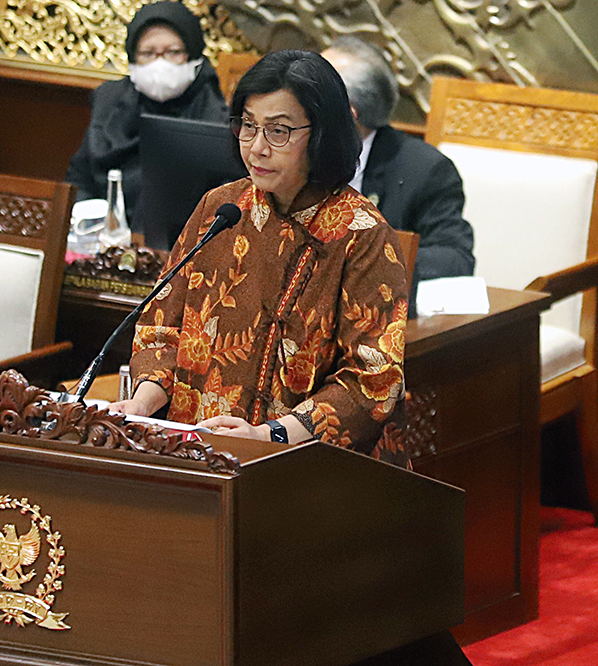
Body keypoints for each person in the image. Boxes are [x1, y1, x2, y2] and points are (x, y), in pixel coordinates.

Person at [109, 50, 410, 468]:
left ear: (322, 134)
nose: (257, 148)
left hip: (307, 468)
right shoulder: (222, 208)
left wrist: (270, 435)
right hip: (197, 456)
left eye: (279, 131)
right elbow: (162, 325)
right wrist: (143, 403)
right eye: (248, 127)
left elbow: (372, 380)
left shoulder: (364, 235)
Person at [322, 36, 475, 286]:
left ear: (346, 114)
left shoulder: (424, 170)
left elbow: (455, 259)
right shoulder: (282, 151)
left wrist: (368, 259)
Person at [65, 1, 229, 226]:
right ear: (133, 58)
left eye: (173, 52)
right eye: (147, 53)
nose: (159, 64)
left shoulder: (216, 117)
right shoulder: (110, 102)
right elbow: (79, 178)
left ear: (192, 54)